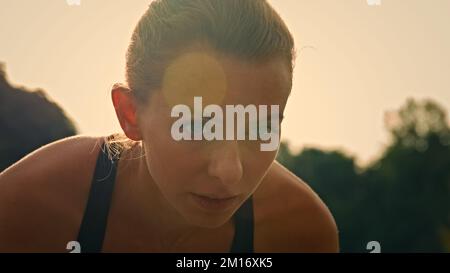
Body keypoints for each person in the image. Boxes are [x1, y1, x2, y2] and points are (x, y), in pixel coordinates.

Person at [0, 0, 338, 253]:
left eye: (259, 130)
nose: (230, 172)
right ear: (130, 114)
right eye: (197, 126)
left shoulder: (300, 232)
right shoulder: (25, 208)